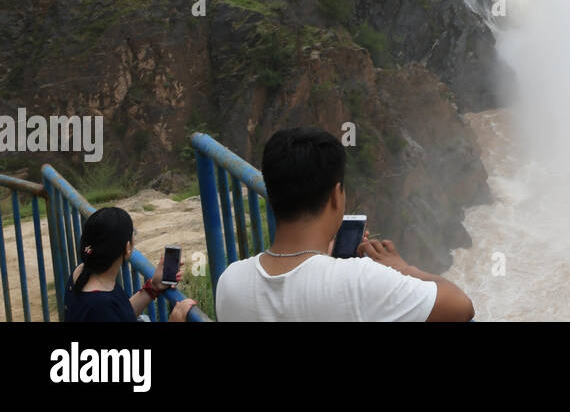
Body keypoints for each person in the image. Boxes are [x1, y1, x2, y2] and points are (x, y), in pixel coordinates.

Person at [215, 127, 474, 321]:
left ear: (271, 196)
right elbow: (461, 305)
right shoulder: (360, 281)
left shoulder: (230, 282)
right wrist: (402, 268)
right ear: (336, 195)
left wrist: (321, 258)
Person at [65, 206, 197, 322]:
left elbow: (120, 315)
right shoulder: (99, 306)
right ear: (127, 248)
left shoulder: (82, 272)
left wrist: (152, 288)